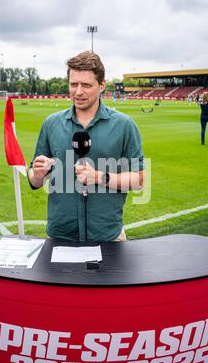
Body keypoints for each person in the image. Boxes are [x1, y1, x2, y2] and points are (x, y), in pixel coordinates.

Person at [28, 51, 144, 242]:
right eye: (73, 84)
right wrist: (38, 174)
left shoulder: (124, 125)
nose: (78, 92)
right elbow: (34, 179)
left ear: (102, 86)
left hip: (108, 237)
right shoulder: (51, 124)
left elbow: (139, 180)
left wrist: (99, 176)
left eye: (87, 85)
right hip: (59, 236)